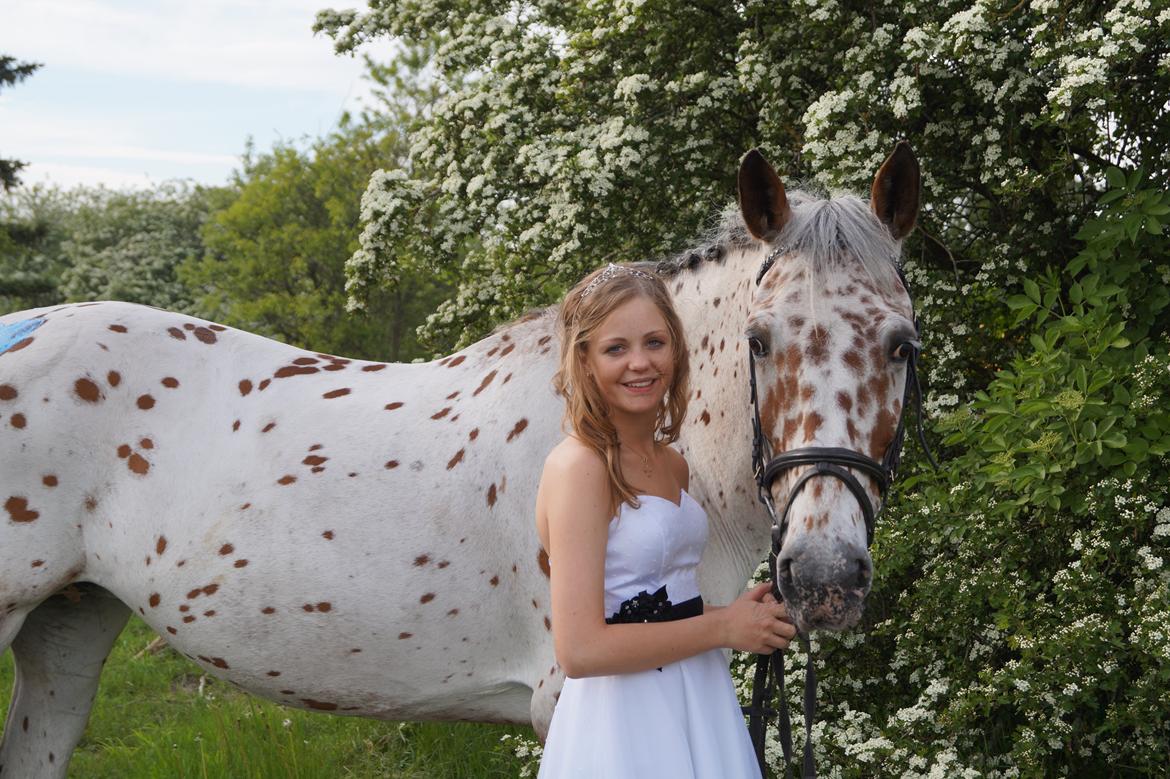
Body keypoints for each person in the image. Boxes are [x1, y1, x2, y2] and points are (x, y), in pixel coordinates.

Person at [534, 262, 797, 778]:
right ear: (584, 361)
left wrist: (735, 614)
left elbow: (649, 597)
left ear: (675, 349)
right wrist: (722, 627)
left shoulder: (672, 462)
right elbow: (580, 649)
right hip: (624, 720)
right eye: (616, 348)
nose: (640, 363)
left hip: (698, 693)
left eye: (655, 342)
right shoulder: (579, 468)